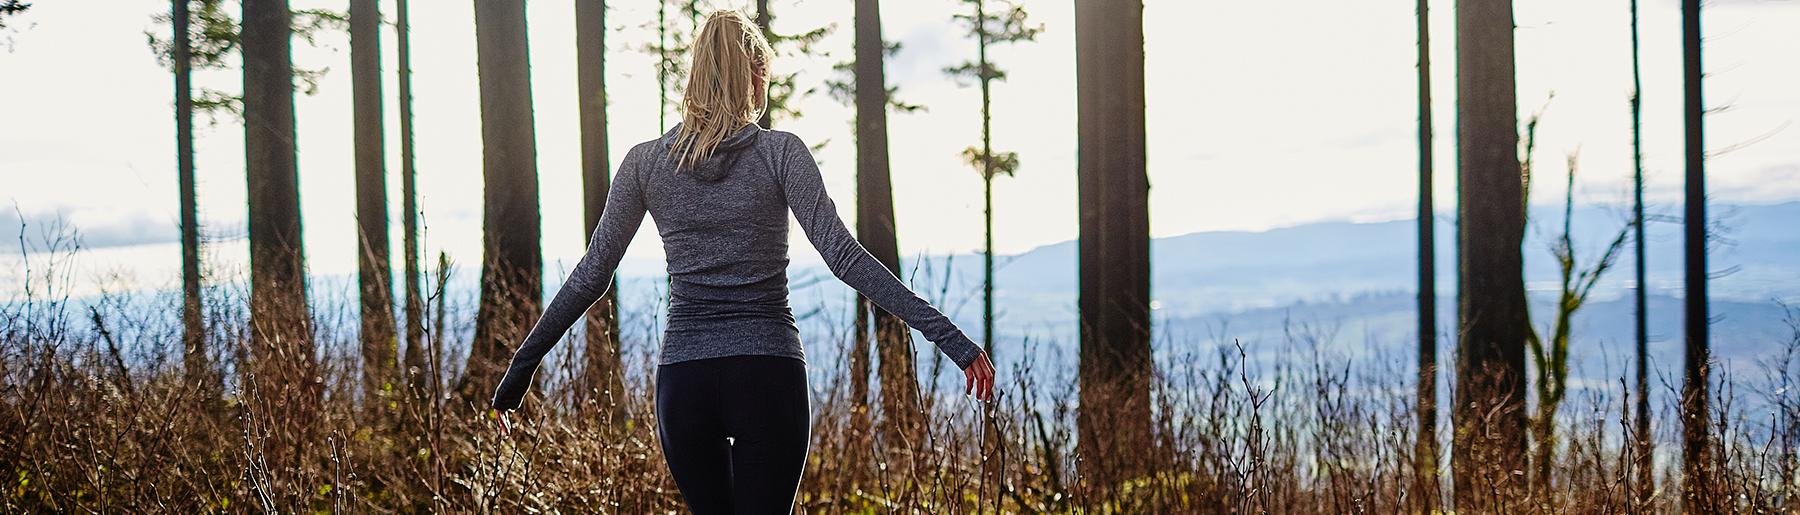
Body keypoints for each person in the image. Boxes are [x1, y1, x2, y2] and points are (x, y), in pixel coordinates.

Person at [489, 9, 996, 513]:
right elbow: (844, 257)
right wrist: (949, 338)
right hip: (768, 373)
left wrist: (519, 371)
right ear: (754, 74)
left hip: (685, 382)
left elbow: (592, 273)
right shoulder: (781, 153)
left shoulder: (645, 163)